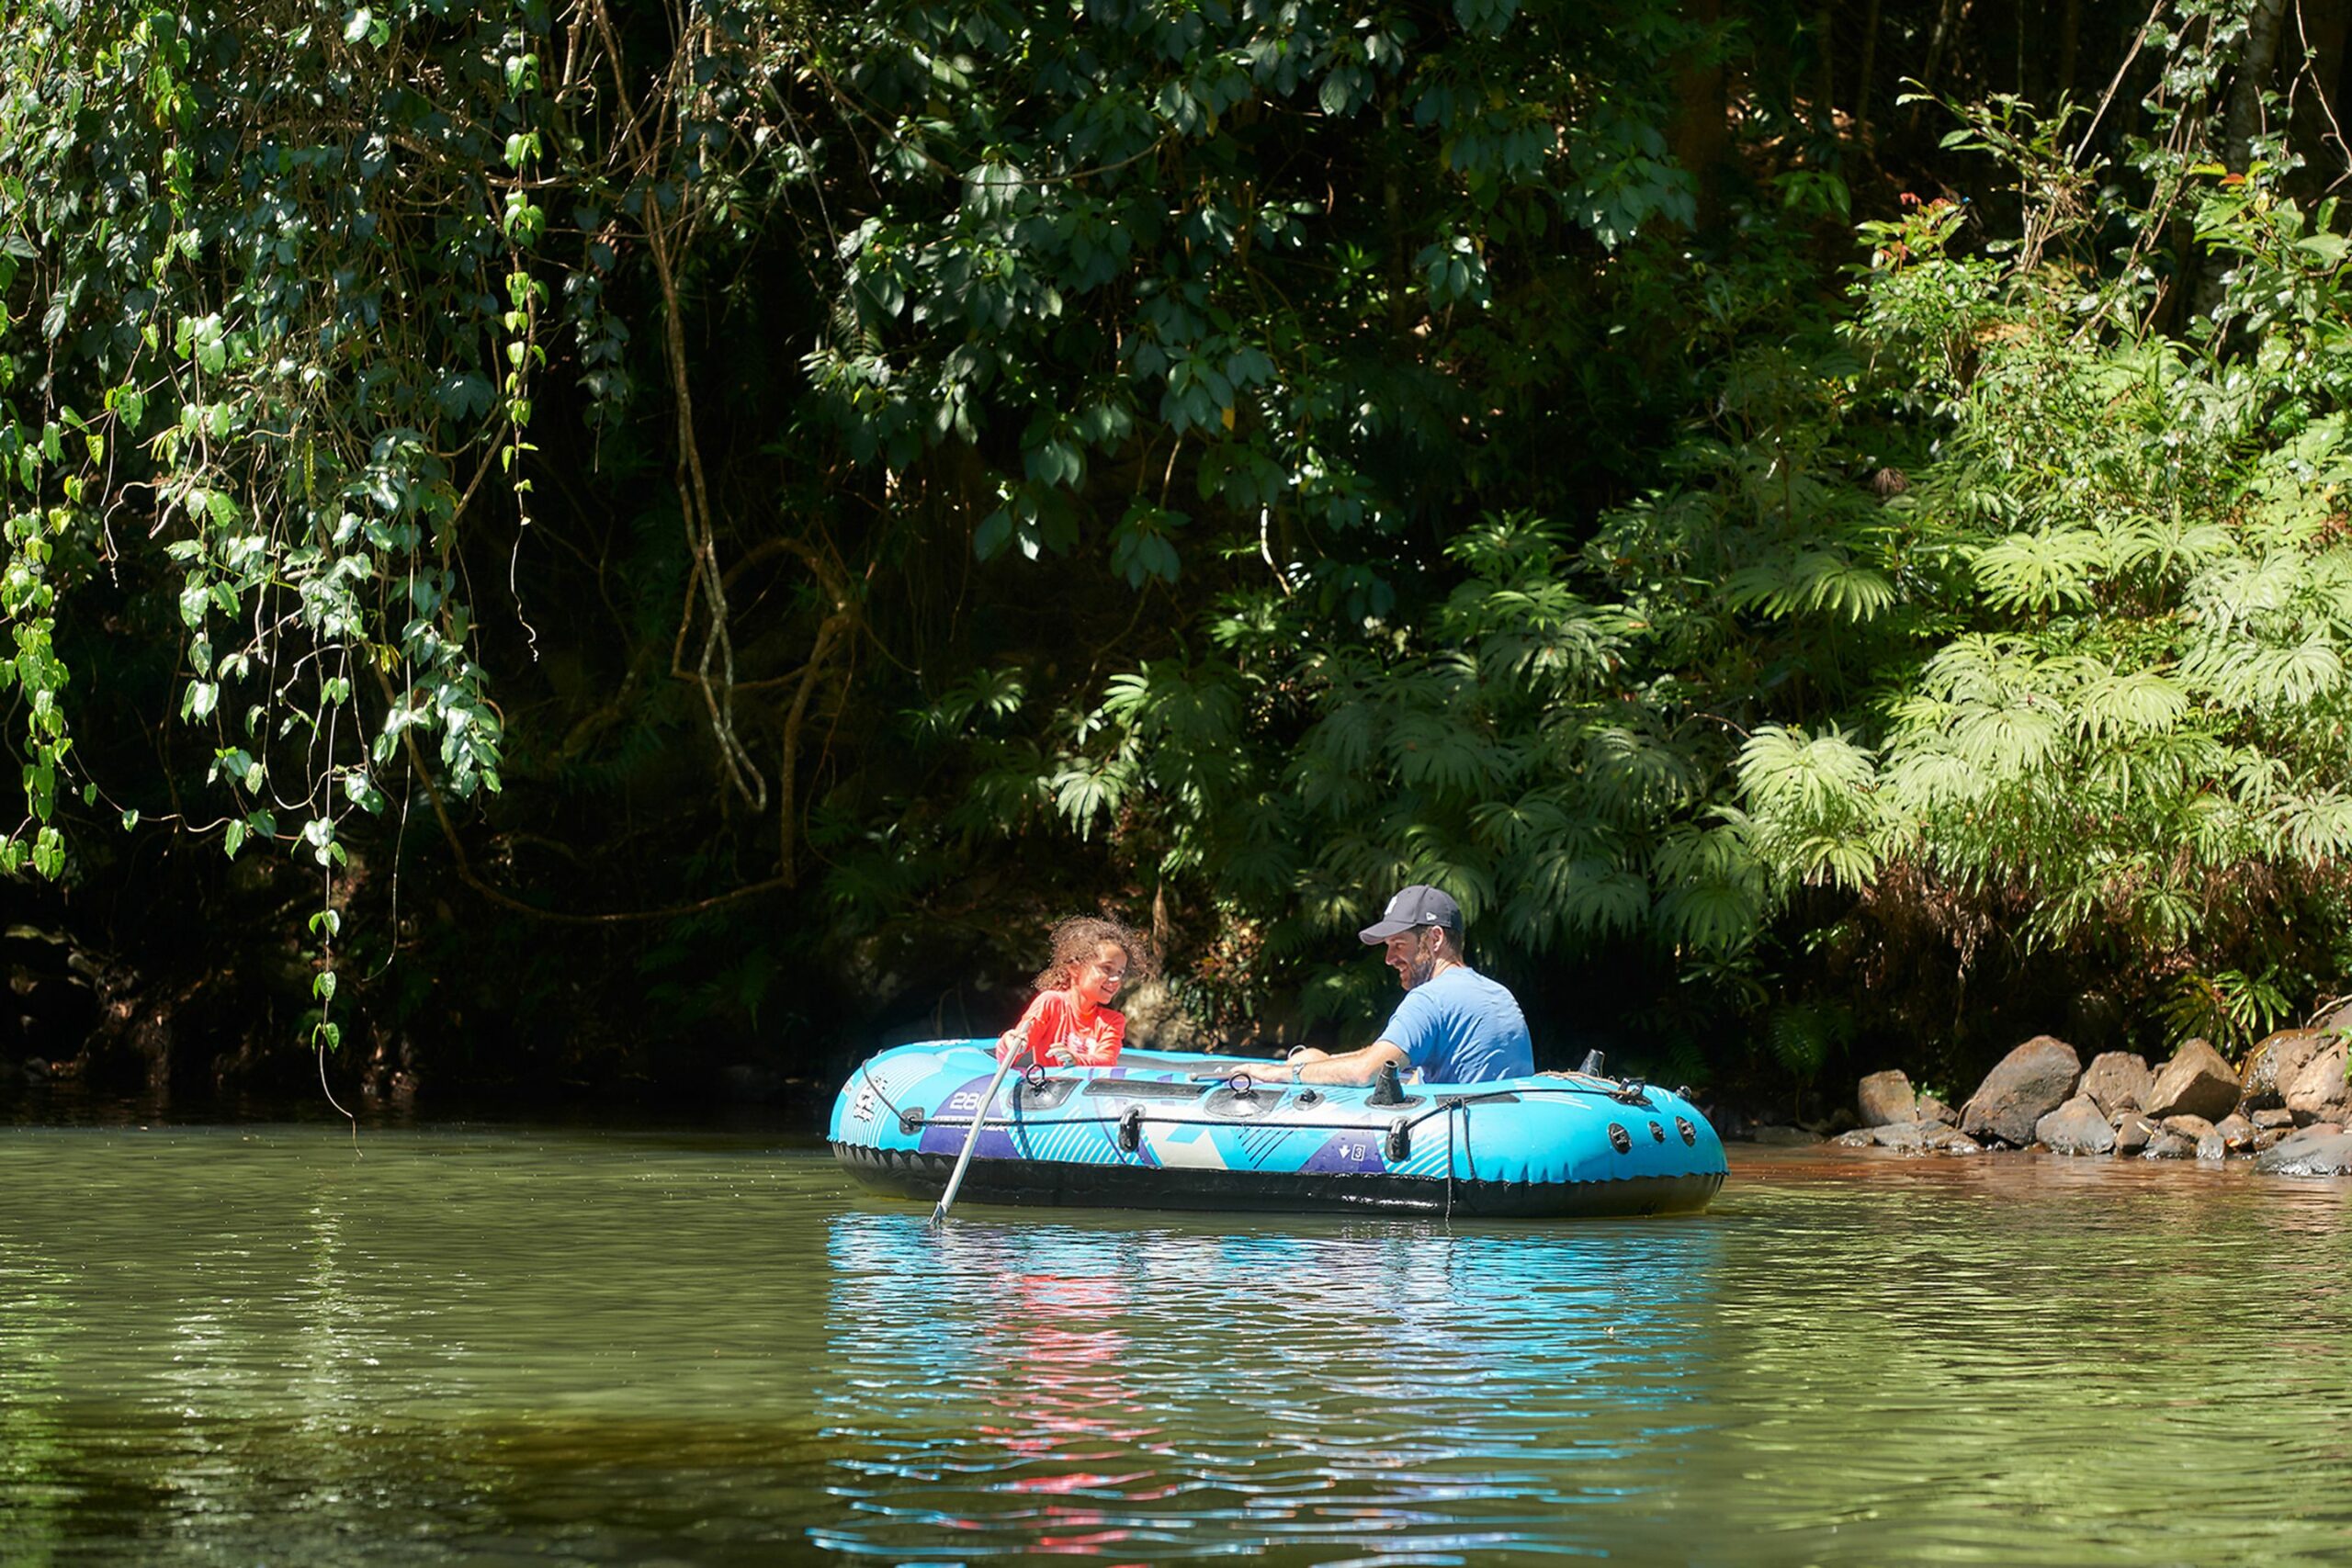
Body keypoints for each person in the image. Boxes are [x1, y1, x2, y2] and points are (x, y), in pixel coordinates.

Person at [1240, 884, 1532, 1087]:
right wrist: (1325, 1061)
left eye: (1398, 944)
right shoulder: (1497, 993)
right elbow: (1391, 1058)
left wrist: (1281, 1073)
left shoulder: (1431, 999)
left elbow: (1364, 1072)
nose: (1389, 958)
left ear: (1435, 939)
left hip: (1461, 1155)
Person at [997, 915, 1153, 1070]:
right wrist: (1009, 1042)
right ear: (1074, 967)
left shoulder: (1113, 1021)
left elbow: (1107, 1061)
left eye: (1120, 973)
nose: (1115, 979)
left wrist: (1076, 1060)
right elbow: (1011, 1054)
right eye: (1106, 968)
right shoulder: (1050, 1003)